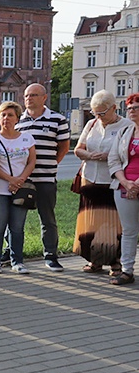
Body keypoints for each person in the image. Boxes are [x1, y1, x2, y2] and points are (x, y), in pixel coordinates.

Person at [14, 83, 70, 271]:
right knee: (16, 219)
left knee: (47, 219)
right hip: (23, 180)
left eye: (34, 95)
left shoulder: (57, 119)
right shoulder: (19, 122)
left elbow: (64, 147)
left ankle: (50, 256)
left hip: (46, 179)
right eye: (27, 95)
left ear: (44, 98)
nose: (29, 98)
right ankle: (11, 252)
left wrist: (52, 163)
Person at [73, 90, 128, 275]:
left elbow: (129, 155)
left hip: (112, 181)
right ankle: (94, 260)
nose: (99, 116)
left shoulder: (126, 126)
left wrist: (108, 157)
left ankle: (115, 262)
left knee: (113, 224)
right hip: (90, 179)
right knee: (91, 223)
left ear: (114, 107)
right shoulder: (91, 124)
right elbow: (78, 149)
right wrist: (90, 155)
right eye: (95, 112)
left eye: (102, 113)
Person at [0, 102, 36, 275]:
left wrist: (20, 180)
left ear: (17, 118)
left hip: (20, 188)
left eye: (10, 115)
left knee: (17, 227)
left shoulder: (26, 138)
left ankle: (17, 261)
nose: (6, 118)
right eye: (3, 115)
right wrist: (10, 179)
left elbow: (31, 161)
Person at [107, 93, 139, 285]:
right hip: (124, 186)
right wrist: (126, 182)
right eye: (129, 108)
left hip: (135, 184)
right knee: (129, 230)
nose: (131, 111)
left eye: (135, 107)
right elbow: (113, 159)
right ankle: (127, 271)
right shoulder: (124, 132)